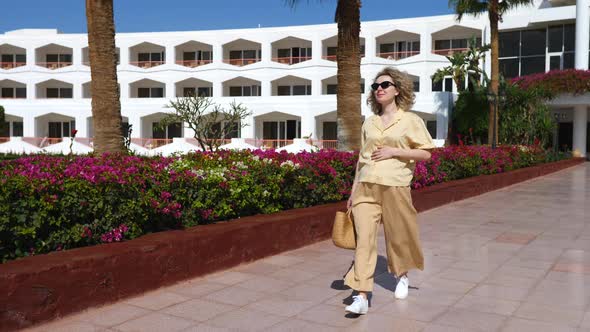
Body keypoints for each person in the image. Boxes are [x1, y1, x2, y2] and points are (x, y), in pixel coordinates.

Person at [344, 67, 435, 315]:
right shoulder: (370, 123)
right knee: (364, 240)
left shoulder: (410, 120)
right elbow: (361, 160)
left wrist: (395, 151)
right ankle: (362, 295)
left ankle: (402, 275)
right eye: (375, 86)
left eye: (385, 85)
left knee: (398, 235)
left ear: (397, 90)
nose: (379, 89)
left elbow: (426, 152)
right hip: (366, 187)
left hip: (395, 185)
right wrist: (353, 191)